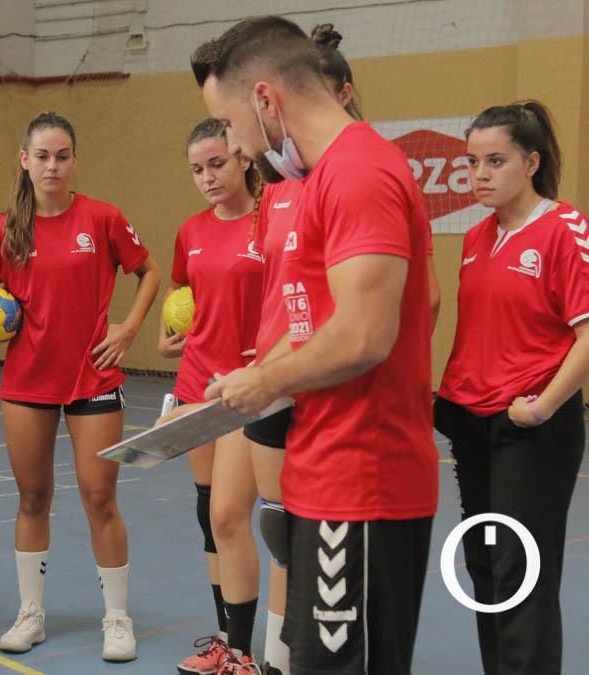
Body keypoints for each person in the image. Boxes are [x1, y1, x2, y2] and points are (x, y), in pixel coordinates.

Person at [195, 16, 438, 674]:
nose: (237, 146)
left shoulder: (358, 172)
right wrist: (257, 371)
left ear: (266, 100)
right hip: (327, 477)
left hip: (361, 481)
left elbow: (364, 333)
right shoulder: (327, 177)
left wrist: (265, 382)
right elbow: (321, 322)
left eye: (231, 125)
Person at [0, 111, 160, 662]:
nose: (52, 165)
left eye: (62, 155)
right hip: (27, 383)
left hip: (93, 378)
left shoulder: (103, 218)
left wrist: (129, 327)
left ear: (74, 159)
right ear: (25, 160)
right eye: (42, 156)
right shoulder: (3, 230)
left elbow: (149, 271)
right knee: (32, 496)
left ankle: (116, 618)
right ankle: (31, 613)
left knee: (99, 496)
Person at [435, 100, 586, 675]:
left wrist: (544, 407)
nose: (480, 174)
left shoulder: (564, 229)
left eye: (495, 161)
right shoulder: (475, 239)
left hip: (531, 427)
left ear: (530, 162)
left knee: (522, 573)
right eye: (472, 162)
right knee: (485, 567)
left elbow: (587, 334)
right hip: (473, 424)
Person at [158, 117, 264, 674]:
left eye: (217, 164)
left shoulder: (270, 223)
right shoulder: (191, 231)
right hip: (196, 386)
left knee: (230, 516)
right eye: (197, 169)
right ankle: (226, 643)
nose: (207, 177)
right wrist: (168, 333)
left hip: (248, 391)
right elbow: (184, 296)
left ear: (244, 159)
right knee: (209, 518)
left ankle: (244, 655)